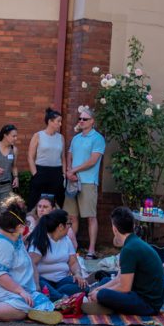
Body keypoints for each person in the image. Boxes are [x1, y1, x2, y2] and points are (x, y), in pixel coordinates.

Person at [81, 209, 162, 317]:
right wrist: (99, 288)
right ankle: (101, 302)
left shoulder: (129, 249)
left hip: (147, 304)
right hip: (145, 298)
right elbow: (119, 278)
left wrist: (99, 293)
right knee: (105, 282)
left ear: (114, 229)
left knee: (103, 294)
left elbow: (124, 287)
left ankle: (101, 305)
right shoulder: (133, 243)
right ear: (133, 226)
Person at [66, 105, 106, 255]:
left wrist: (74, 170)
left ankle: (91, 249)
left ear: (92, 121)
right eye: (80, 119)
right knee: (71, 216)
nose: (81, 121)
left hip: (88, 182)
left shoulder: (98, 138)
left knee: (90, 216)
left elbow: (92, 161)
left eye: (85, 119)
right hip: (72, 181)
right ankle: (70, 248)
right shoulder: (76, 138)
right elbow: (69, 155)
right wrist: (69, 171)